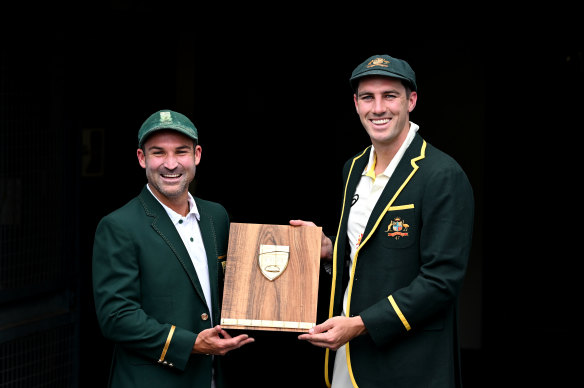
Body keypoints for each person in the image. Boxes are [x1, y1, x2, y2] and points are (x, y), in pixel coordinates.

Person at [292, 54, 474, 387]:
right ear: (356, 104)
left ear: (411, 101)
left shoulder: (442, 174)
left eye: (389, 96)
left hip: (410, 364)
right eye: (367, 97)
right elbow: (372, 254)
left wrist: (361, 324)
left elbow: (441, 281)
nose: (378, 108)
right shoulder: (353, 168)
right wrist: (333, 251)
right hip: (347, 356)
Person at [92, 109, 254, 388]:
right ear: (142, 158)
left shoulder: (217, 216)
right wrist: (191, 343)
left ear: (197, 155)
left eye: (181, 152)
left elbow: (233, 290)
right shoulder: (119, 225)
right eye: (158, 153)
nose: (170, 164)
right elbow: (116, 317)